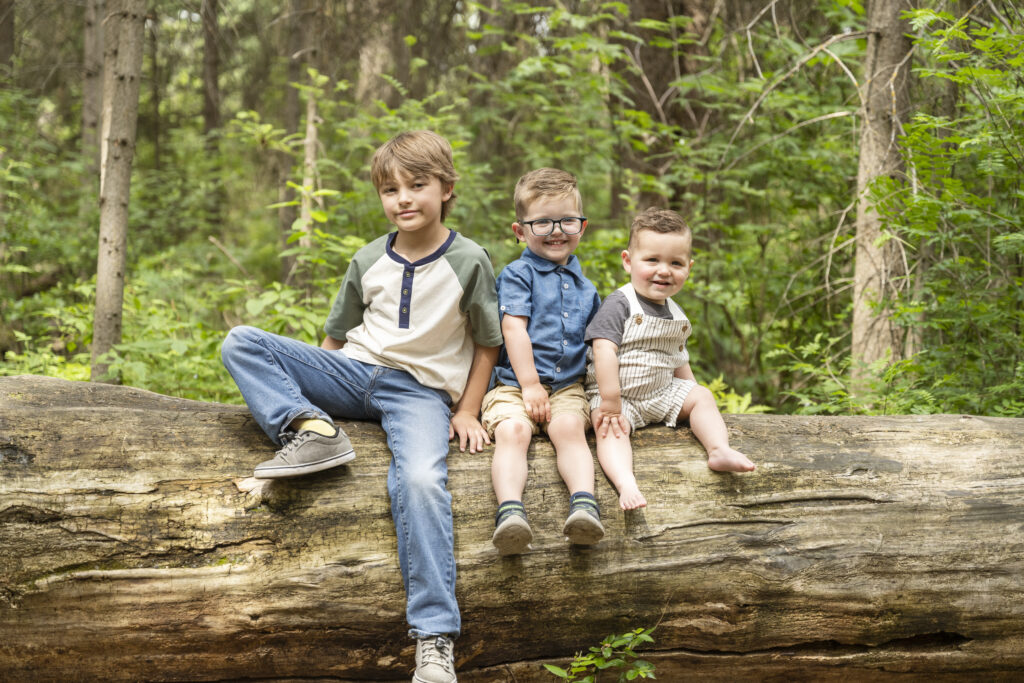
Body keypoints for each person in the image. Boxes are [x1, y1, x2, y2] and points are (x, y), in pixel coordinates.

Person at [220, 130, 502, 683]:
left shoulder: (469, 260)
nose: (403, 199)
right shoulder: (369, 257)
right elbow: (333, 339)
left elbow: (488, 342)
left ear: (447, 189)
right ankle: (311, 429)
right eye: (390, 189)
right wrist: (305, 396)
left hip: (418, 392)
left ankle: (435, 639)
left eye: (417, 185)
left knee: (419, 480)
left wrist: (467, 410)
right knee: (243, 341)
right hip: (352, 371)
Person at [585, 207, 755, 511]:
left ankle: (718, 449)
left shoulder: (676, 313)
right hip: (618, 398)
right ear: (628, 261)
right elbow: (603, 349)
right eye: (652, 260)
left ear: (688, 267)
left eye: (675, 263)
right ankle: (626, 482)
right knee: (609, 428)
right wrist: (610, 400)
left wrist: (691, 396)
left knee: (703, 395)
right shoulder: (620, 303)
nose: (664, 270)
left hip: (660, 394)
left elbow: (678, 357)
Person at [480, 168, 604, 556]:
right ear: (519, 230)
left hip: (567, 386)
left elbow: (596, 345)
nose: (556, 230)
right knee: (512, 432)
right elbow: (514, 330)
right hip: (515, 385)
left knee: (569, 428)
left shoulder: (588, 287)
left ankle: (584, 505)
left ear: (582, 226)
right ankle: (510, 513)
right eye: (542, 222)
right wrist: (530, 384)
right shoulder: (518, 274)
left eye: (567, 220)